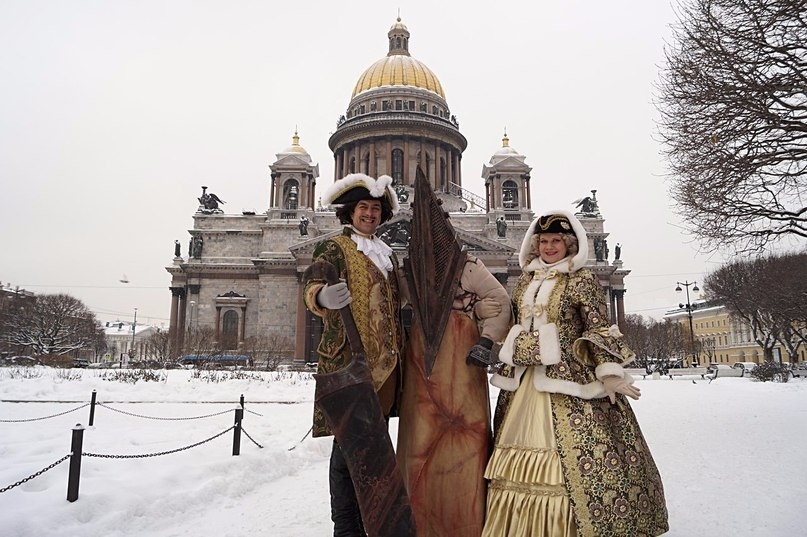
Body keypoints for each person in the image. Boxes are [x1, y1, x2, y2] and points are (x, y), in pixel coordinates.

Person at [482, 209, 668, 537]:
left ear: (569, 244)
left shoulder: (581, 279)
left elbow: (597, 326)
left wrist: (609, 371)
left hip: (570, 380)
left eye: (557, 241)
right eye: (544, 241)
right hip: (524, 380)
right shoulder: (526, 279)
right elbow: (513, 321)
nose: (550, 247)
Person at [396, 172, 512, 536]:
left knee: (468, 439)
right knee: (419, 446)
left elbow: (499, 300)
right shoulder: (408, 273)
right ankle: (420, 524)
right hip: (422, 369)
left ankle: (466, 523)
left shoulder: (469, 267)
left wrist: (486, 341)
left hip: (462, 366)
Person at [303, 173, 405, 537]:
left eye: (376, 209)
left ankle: (374, 519)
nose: (370, 214)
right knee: (348, 448)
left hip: (386, 366)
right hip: (349, 364)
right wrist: (320, 297)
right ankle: (346, 527)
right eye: (363, 207)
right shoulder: (334, 248)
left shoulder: (387, 254)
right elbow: (312, 283)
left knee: (375, 448)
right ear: (350, 212)